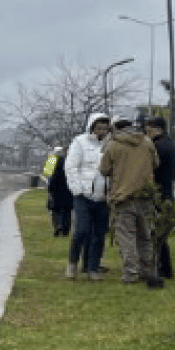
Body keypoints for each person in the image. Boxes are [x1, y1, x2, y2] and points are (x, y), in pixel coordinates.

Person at [99, 116, 161, 286]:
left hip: (123, 197)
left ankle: (130, 273)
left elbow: (104, 169)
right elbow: (156, 163)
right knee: (145, 236)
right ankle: (146, 270)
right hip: (145, 195)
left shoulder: (113, 144)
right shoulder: (147, 142)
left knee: (126, 237)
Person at [64, 113, 113, 280]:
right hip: (83, 195)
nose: (102, 130)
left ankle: (93, 267)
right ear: (91, 127)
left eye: (105, 128)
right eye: (99, 127)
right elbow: (70, 168)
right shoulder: (79, 142)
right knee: (82, 230)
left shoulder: (110, 144)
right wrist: (77, 189)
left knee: (99, 234)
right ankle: (72, 263)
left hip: (103, 197)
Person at [145, 117, 175, 278]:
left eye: (149, 129)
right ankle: (164, 267)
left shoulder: (159, 146)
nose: (146, 133)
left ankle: (163, 267)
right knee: (160, 233)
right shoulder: (170, 144)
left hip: (160, 192)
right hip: (167, 191)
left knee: (157, 233)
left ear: (158, 129)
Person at [46, 146, 74, 237]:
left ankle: (57, 225)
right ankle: (65, 229)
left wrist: (49, 189)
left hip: (55, 189)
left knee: (56, 209)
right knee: (67, 210)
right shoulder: (69, 161)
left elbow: (48, 177)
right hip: (67, 189)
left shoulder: (51, 161)